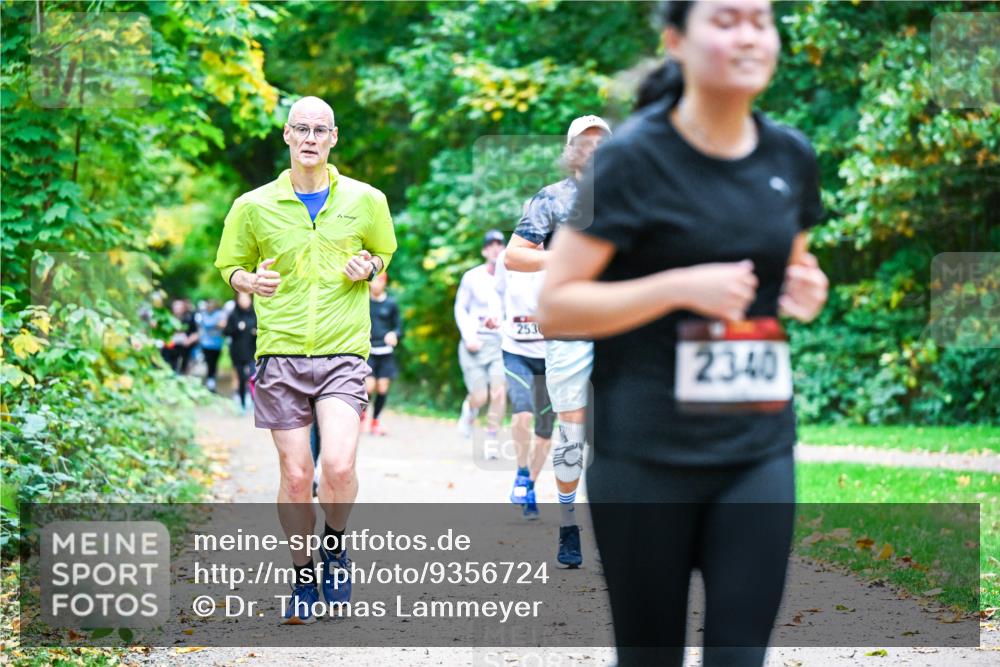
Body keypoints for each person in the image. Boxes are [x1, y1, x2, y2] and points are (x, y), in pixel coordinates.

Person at [536, 1, 829, 664]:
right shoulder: (632, 159)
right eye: (725, 20)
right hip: (645, 456)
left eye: (760, 19)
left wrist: (806, 288)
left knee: (739, 654)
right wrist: (677, 287)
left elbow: (793, 269)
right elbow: (556, 304)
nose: (749, 35)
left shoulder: (791, 154)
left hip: (756, 447)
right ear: (676, 40)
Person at [214, 95, 397, 625]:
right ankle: (303, 575)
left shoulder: (366, 200)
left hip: (343, 350)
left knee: (337, 465)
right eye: (302, 128)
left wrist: (370, 266)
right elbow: (230, 264)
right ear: (288, 137)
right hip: (281, 353)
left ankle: (335, 547)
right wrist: (246, 280)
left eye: (321, 129)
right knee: (296, 477)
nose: (311, 137)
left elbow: (384, 249)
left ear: (333, 138)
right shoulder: (253, 205)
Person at [505, 115, 611, 568]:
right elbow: (514, 256)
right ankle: (569, 524)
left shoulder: (636, 195)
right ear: (571, 152)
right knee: (572, 430)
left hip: (625, 326)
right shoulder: (551, 199)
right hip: (569, 328)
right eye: (583, 143)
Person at [495, 239, 553, 520]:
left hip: (552, 354)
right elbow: (497, 294)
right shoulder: (508, 258)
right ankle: (520, 472)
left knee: (545, 433)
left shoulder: (560, 257)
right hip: (516, 350)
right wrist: (498, 319)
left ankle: (530, 485)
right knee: (522, 414)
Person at [454, 230, 507, 452]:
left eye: (500, 244)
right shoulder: (472, 277)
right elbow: (460, 308)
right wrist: (469, 335)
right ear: (485, 250)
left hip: (500, 344)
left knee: (499, 392)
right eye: (491, 244)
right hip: (474, 343)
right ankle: (470, 409)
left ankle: (492, 438)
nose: (496, 248)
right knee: (480, 396)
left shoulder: (512, 277)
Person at [364, 271, 402, 436]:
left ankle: (376, 420)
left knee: (382, 387)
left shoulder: (391, 304)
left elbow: (399, 327)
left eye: (379, 281)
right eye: (373, 281)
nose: (375, 284)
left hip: (385, 351)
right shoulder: (363, 301)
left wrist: (394, 334)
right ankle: (362, 415)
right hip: (369, 350)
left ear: (384, 283)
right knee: (369, 385)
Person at [224, 291, 257, 413]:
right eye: (242, 298)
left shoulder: (254, 314)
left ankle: (254, 400)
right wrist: (237, 329)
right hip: (237, 352)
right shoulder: (234, 315)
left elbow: (260, 329)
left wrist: (255, 332)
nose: (245, 301)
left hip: (251, 351)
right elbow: (226, 331)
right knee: (241, 377)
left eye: (247, 298)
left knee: (252, 375)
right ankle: (242, 402)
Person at [161, 298, 198, 374]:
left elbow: (196, 333)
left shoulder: (189, 319)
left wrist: (189, 341)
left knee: (182, 369)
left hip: (183, 349)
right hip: (169, 349)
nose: (177, 309)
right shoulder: (167, 318)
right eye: (176, 307)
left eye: (179, 307)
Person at [198, 299, 226, 392]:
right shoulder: (204, 314)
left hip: (217, 344)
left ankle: (212, 380)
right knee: (209, 363)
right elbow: (207, 324)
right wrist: (217, 324)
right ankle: (210, 381)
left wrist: (218, 324)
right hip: (206, 344)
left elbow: (223, 324)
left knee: (214, 363)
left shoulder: (219, 313)